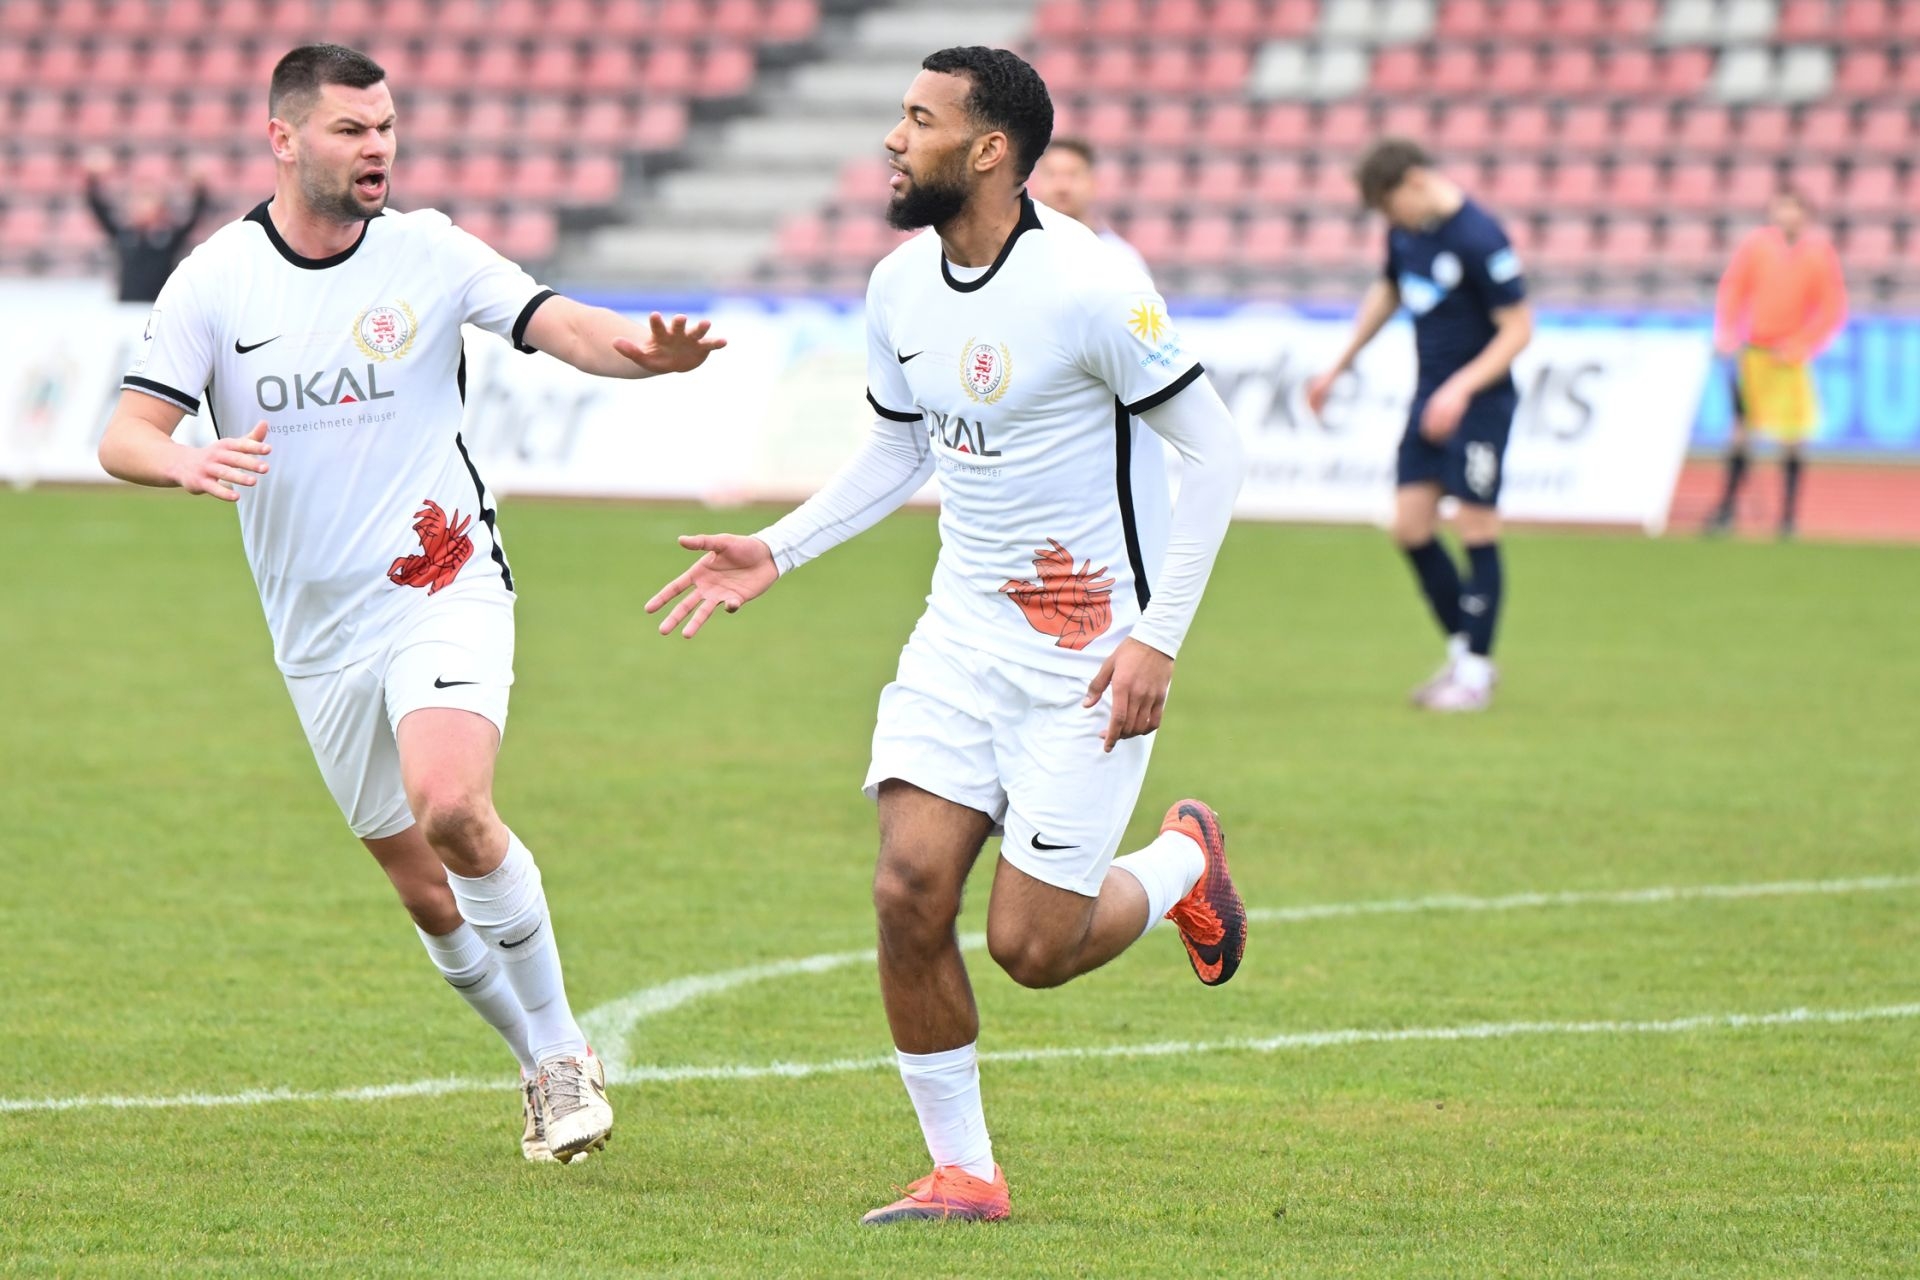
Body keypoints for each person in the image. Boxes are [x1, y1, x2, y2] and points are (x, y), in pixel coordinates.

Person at [646, 46, 1249, 1226]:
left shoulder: (1091, 286)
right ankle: (964, 1170)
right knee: (906, 887)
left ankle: (1185, 859)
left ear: (987, 150)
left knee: (1033, 946)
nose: (893, 138)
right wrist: (777, 548)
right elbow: (898, 447)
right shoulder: (897, 286)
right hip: (959, 640)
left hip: (1088, 658)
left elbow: (1216, 453)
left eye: (919, 119)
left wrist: (1158, 639)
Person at [95, 44, 725, 1164]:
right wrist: (181, 458)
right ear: (284, 139)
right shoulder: (215, 279)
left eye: (385, 126)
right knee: (426, 890)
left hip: (442, 580)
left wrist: (644, 353)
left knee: (453, 805)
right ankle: (535, 1063)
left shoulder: (429, 250)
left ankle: (563, 1049)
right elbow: (124, 434)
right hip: (314, 629)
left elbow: (562, 322)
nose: (376, 147)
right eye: (350, 129)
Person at [1305, 139, 1533, 713]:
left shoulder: (1480, 236)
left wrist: (1462, 387)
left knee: (1476, 526)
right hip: (1429, 399)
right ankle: (1465, 654)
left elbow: (1518, 330)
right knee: (1409, 527)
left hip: (1479, 403)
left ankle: (1474, 674)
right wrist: (1340, 363)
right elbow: (1389, 290)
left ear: (1414, 181)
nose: (1390, 219)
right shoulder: (1405, 233)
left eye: (1389, 206)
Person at [1704, 188, 1847, 540]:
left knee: (1793, 437)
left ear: (1805, 214)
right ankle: (1726, 509)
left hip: (1789, 358)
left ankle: (1787, 518)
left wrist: (1802, 344)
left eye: (1794, 208)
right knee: (1741, 432)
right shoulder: (1756, 246)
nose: (1787, 215)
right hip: (1755, 352)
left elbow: (1832, 309)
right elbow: (1734, 289)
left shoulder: (1819, 253)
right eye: (1782, 208)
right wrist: (1726, 331)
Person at [83, 150, 214, 303]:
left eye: (149, 200)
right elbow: (99, 211)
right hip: (126, 308)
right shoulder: (124, 235)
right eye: (140, 201)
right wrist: (92, 180)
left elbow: (195, 217)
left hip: (157, 307)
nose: (143, 207)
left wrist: (200, 187)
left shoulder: (169, 238)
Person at [1030, 136, 1150, 276]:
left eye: (1072, 175)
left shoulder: (1121, 259)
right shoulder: (1018, 252)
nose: (1061, 186)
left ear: (1093, 183)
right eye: (1051, 174)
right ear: (1035, 183)